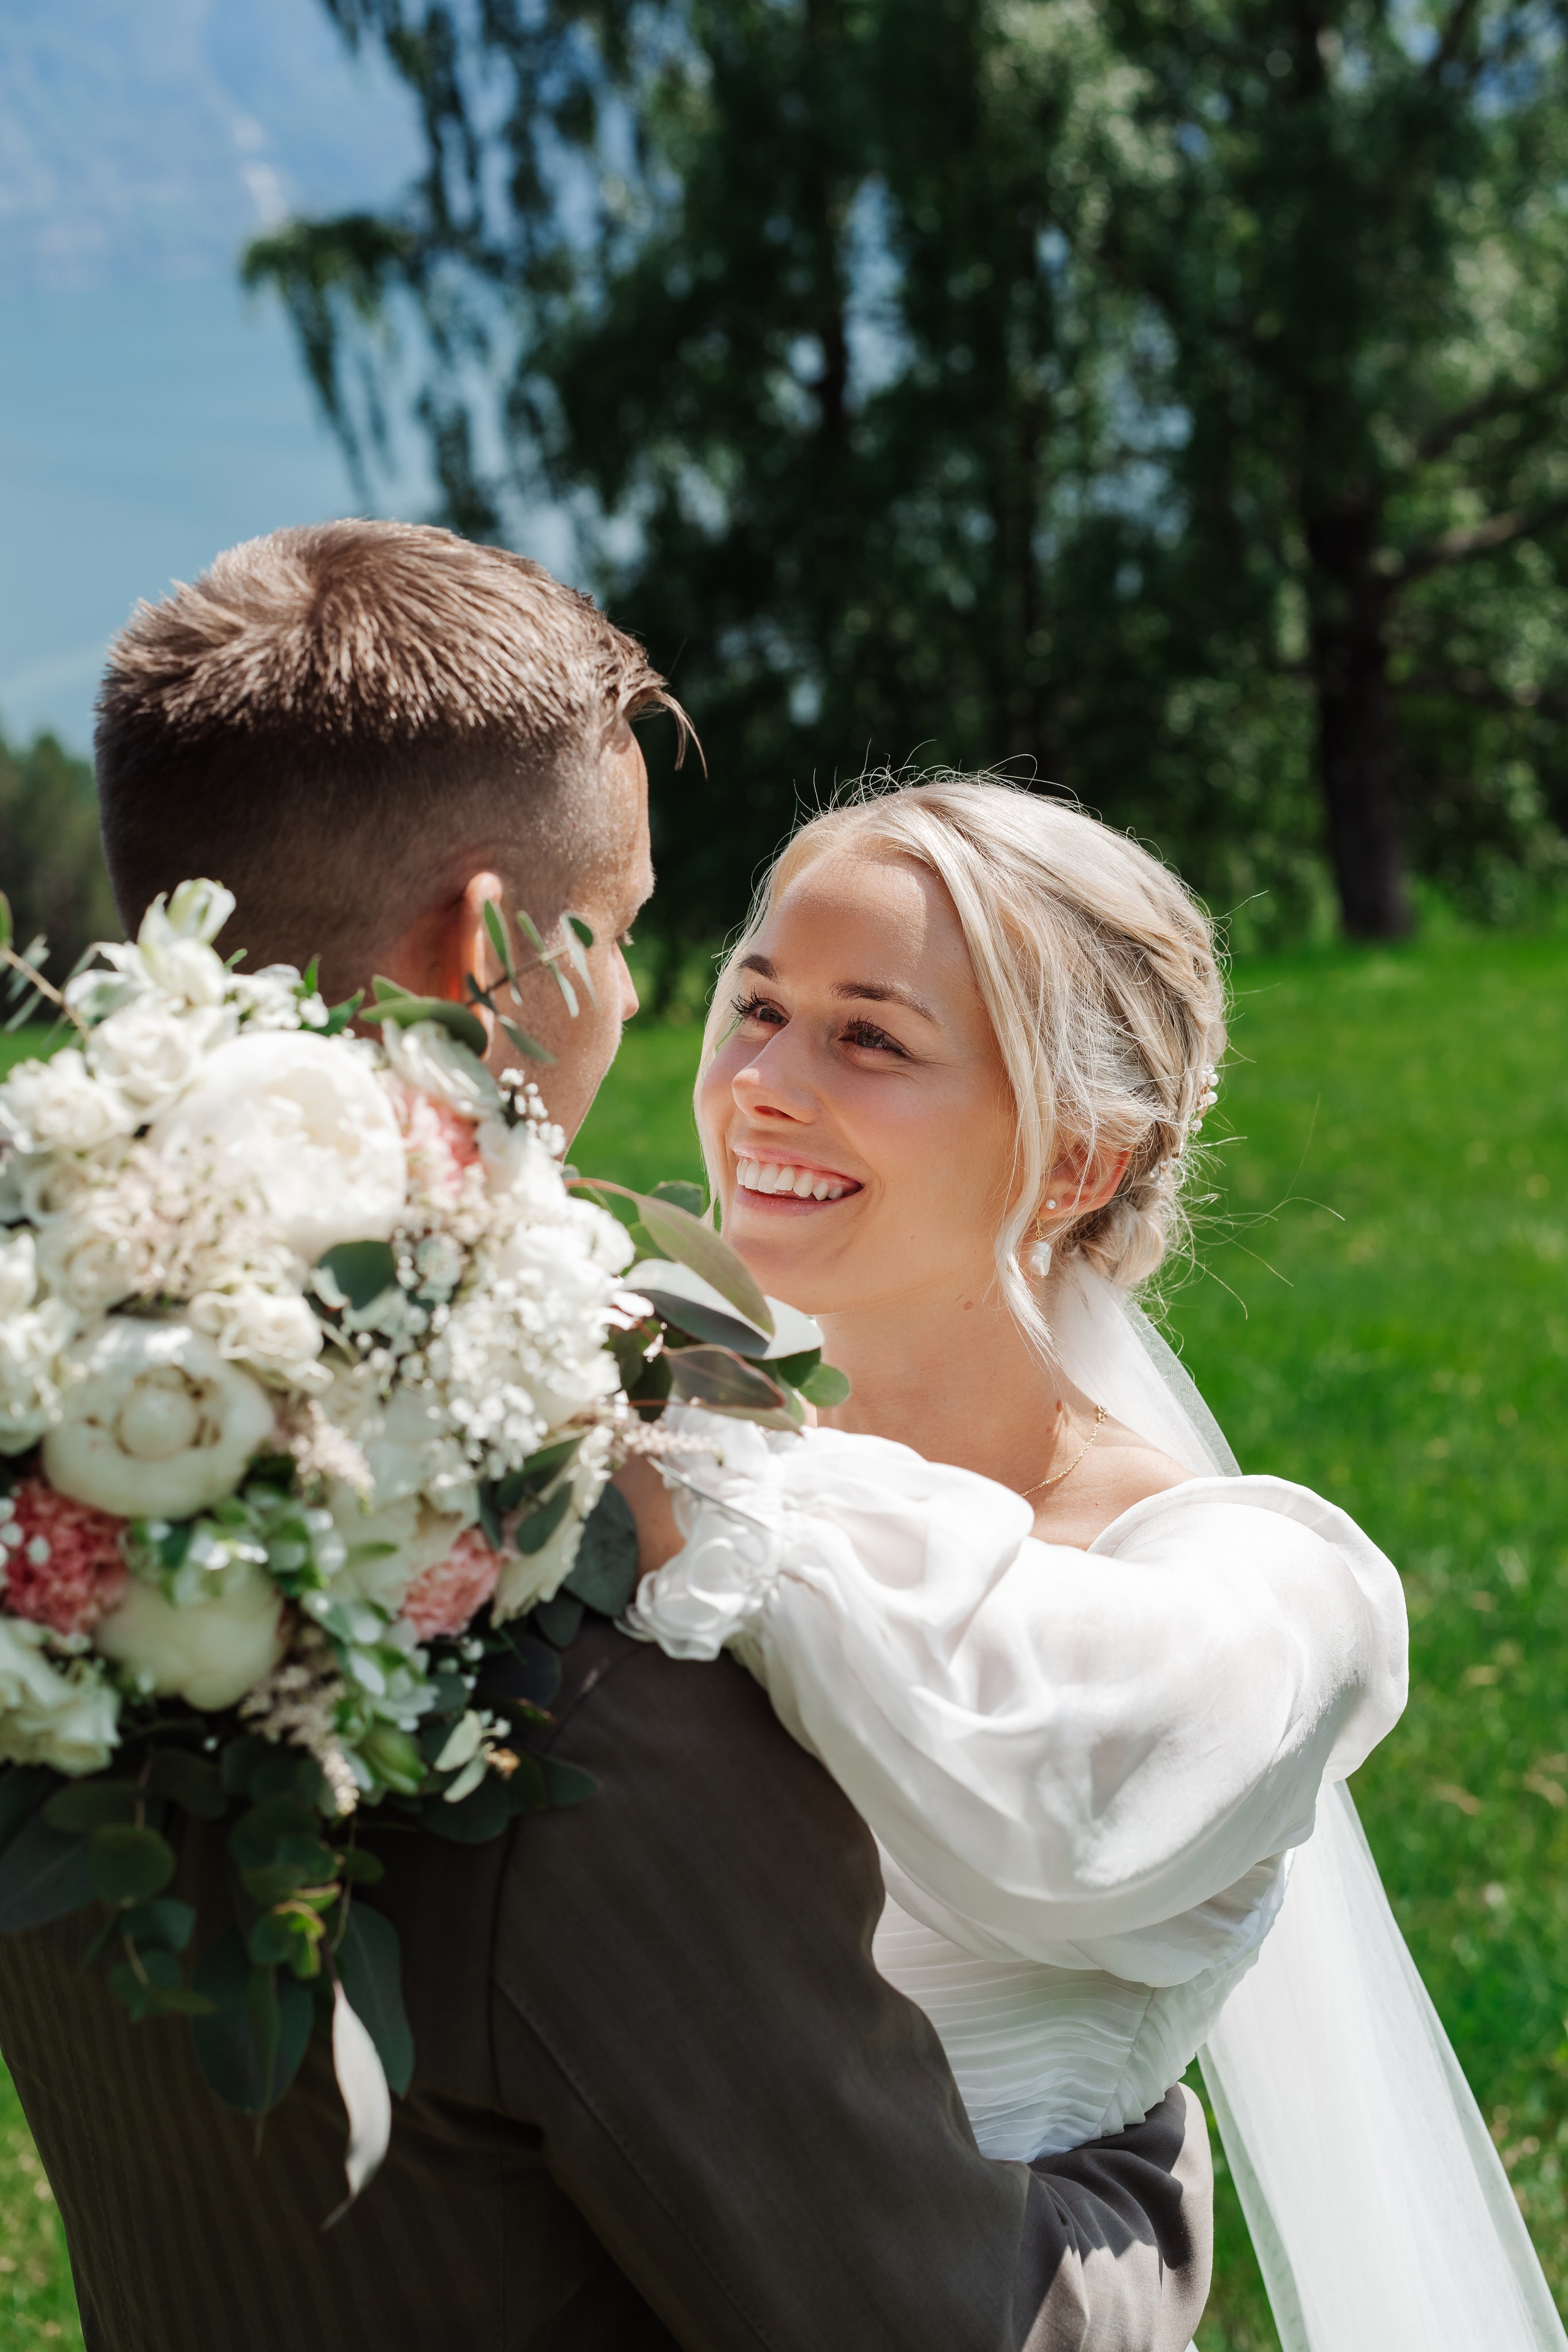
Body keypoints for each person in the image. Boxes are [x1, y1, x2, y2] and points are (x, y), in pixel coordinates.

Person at [0, 527, 1215, 2352]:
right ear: (494, 947)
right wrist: (1121, 2112)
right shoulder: (575, 1674)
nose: (655, 1006)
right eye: (631, 927)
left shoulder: (54, 1460)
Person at [623, 777, 1568, 2352]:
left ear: (1074, 1160)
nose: (762, 1088)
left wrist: (672, 1479)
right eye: (759, 1009)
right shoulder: (645, 1405)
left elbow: (1048, 1796)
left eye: (869, 1040)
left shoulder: (1255, 1596)